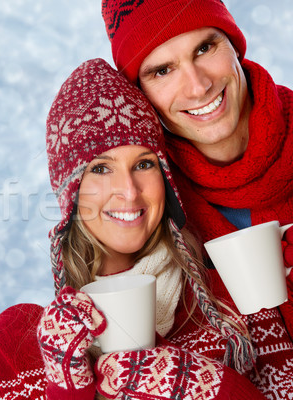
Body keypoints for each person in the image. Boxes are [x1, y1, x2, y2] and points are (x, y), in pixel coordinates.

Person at [0, 58, 293, 399]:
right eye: (100, 169)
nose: (129, 191)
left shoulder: (232, 301)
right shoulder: (16, 344)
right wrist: (66, 389)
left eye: (144, 164)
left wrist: (211, 387)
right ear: (70, 190)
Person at [100, 0, 293, 333]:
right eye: (162, 70)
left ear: (235, 45)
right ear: (140, 94)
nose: (198, 86)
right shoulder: (147, 201)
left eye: (205, 48)